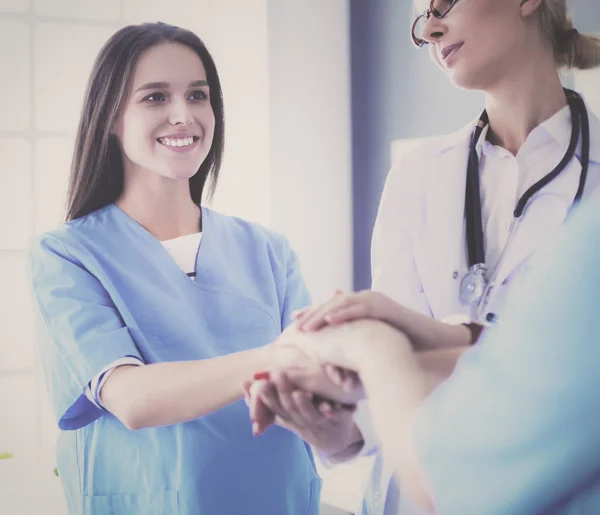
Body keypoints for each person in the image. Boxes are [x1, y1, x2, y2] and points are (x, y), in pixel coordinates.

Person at [246, 1, 600, 513]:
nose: (430, 29)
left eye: (443, 4)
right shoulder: (417, 175)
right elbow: (380, 385)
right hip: (411, 488)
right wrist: (334, 430)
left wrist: (378, 348)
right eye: (420, 20)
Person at [27, 22, 321, 515]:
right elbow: (133, 400)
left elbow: (313, 389)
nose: (183, 116)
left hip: (278, 498)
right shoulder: (67, 255)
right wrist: (283, 355)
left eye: (198, 95)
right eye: (155, 98)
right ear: (111, 117)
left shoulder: (269, 250)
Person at [250, 194, 600, 514]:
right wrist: (350, 411)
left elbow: (448, 475)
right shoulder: (418, 169)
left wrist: (372, 346)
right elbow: (532, 360)